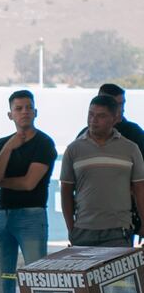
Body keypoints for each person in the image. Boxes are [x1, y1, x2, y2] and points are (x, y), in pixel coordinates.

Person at [0, 90, 57, 293]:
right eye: (19, 108)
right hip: (2, 216)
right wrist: (10, 147)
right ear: (10, 115)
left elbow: (29, 183)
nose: (24, 112)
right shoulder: (1, 144)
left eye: (28, 107)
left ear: (35, 112)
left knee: (38, 275)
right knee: (0, 277)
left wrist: (1, 181)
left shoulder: (44, 143)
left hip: (31, 216)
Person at [60, 95, 144, 247]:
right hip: (83, 230)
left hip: (119, 231)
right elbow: (66, 191)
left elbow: (140, 190)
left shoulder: (130, 149)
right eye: (91, 114)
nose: (93, 120)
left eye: (101, 116)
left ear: (114, 118)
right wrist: (71, 228)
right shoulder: (73, 149)